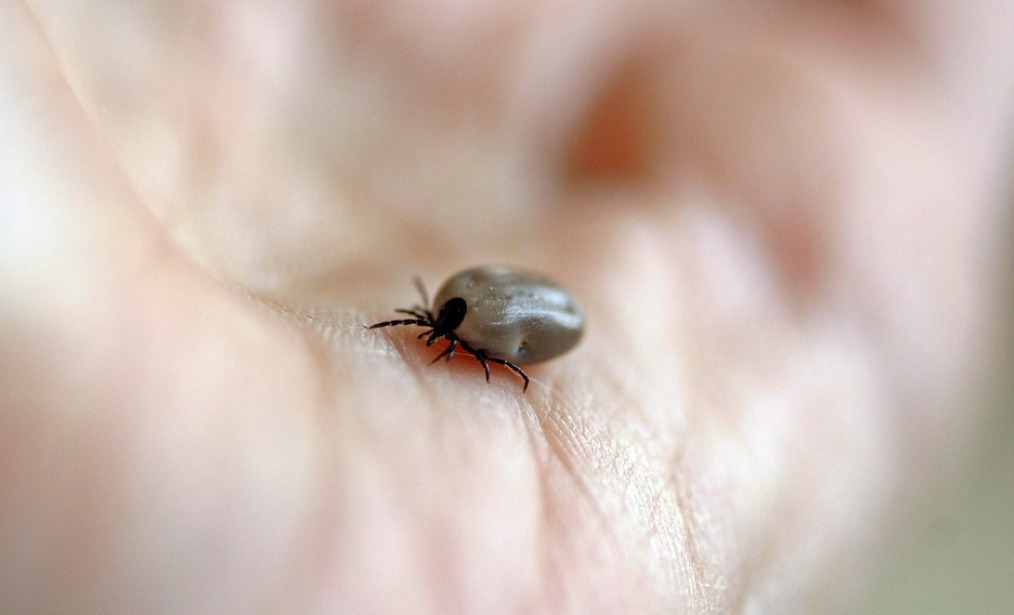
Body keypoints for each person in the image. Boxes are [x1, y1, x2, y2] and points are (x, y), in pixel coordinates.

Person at [2, 1, 1012, 612]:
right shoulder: (462, 319)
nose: (428, 340)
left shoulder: (463, 316)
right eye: (436, 333)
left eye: (434, 334)